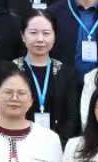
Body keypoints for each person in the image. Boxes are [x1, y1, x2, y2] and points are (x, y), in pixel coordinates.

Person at [15, 8, 79, 138]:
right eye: (33, 33)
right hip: (18, 141)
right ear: (22, 36)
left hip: (58, 142)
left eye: (46, 33)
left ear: (55, 36)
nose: (40, 39)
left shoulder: (67, 73)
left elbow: (71, 118)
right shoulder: (10, 71)